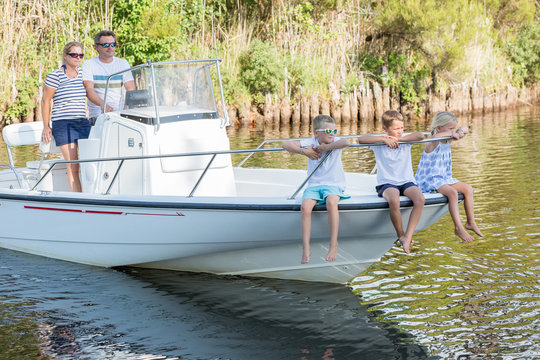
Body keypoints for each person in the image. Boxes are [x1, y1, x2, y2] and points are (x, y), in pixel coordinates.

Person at [283, 115, 351, 264]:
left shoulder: (334, 142)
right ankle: (306, 248)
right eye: (328, 130)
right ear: (316, 133)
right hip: (314, 185)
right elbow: (286, 144)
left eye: (334, 130)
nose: (332, 133)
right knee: (305, 207)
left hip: (334, 184)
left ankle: (333, 244)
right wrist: (304, 152)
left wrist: (327, 147)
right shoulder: (310, 143)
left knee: (331, 202)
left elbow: (347, 142)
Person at [357, 110, 425, 254]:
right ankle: (400, 235)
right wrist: (383, 139)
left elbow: (420, 135)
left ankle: (408, 235)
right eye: (395, 129)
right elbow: (361, 139)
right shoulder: (379, 142)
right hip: (387, 182)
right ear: (385, 128)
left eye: (401, 128)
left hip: (406, 181)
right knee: (394, 200)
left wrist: (400, 140)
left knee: (420, 199)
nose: (399, 131)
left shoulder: (405, 139)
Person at [415, 111, 483, 242]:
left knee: (468, 189)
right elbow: (439, 135)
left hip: (444, 178)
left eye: (454, 128)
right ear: (439, 128)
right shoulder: (433, 141)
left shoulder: (448, 139)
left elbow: (465, 129)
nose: (453, 131)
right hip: (430, 179)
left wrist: (458, 131)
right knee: (452, 193)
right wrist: (453, 133)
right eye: (450, 128)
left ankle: (470, 222)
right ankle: (458, 227)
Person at [41, 41, 90, 192]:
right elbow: (45, 100)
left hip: (82, 122)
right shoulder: (55, 76)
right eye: (74, 54)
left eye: (80, 55)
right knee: (73, 165)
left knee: (93, 161)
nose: (78, 58)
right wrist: (46, 126)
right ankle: (79, 201)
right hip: (63, 124)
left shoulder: (84, 74)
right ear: (65, 56)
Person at [82, 30, 135, 120]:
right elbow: (89, 90)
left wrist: (126, 109)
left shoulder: (123, 63)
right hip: (97, 116)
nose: (110, 47)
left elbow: (131, 88)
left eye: (113, 44)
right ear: (97, 47)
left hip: (119, 115)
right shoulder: (88, 64)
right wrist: (103, 105)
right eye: (106, 45)